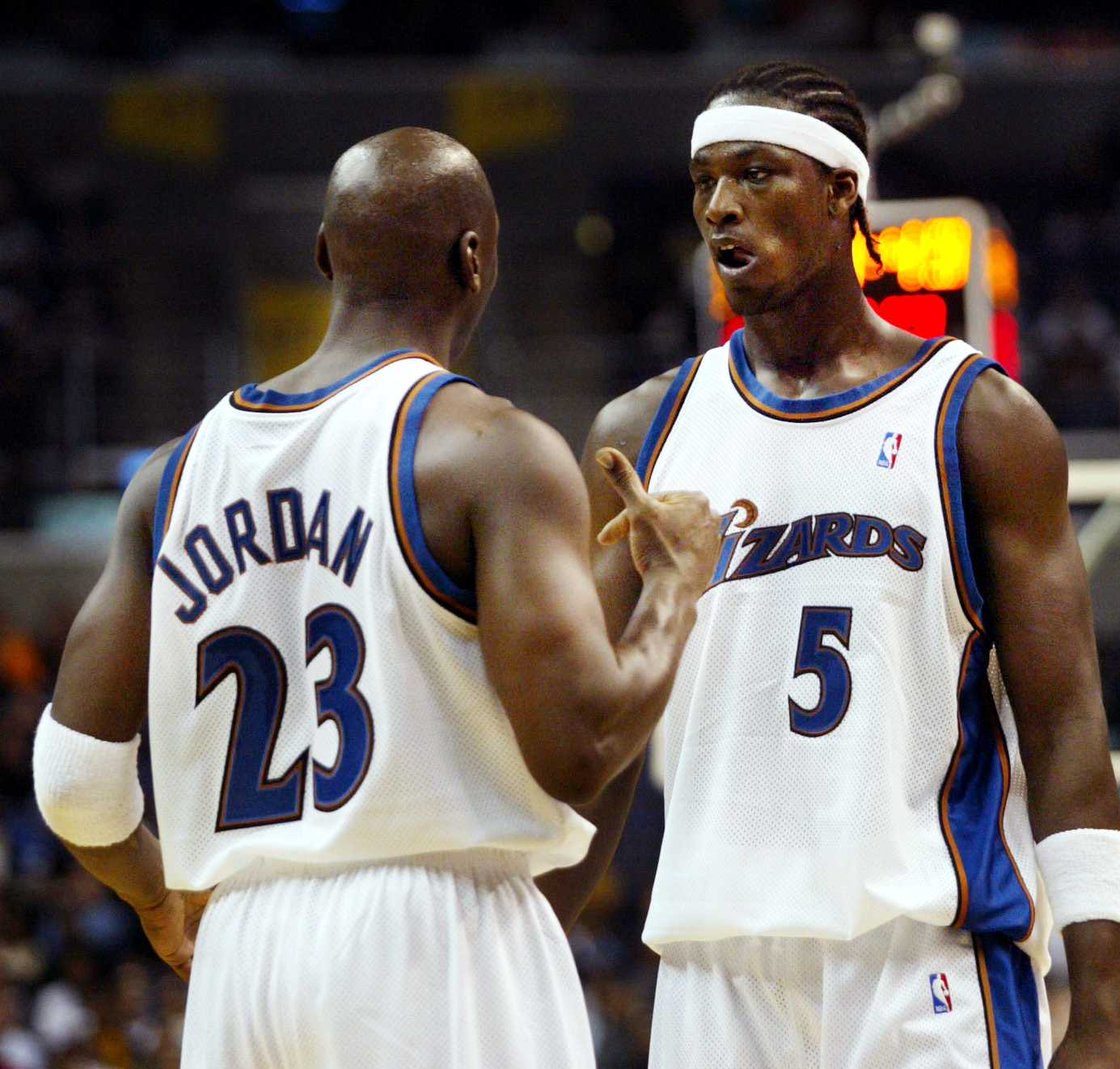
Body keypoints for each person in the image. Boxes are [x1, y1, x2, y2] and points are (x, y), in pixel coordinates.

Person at [31, 127, 719, 1068]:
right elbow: (582, 747)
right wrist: (674, 585)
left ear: (325, 256)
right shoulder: (488, 447)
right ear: (473, 259)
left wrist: (156, 895)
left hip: (240, 954)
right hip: (433, 938)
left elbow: (75, 784)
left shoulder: (171, 478)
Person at [576, 62, 1120, 1068]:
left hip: (924, 964)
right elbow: (596, 737)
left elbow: (1064, 725)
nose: (720, 206)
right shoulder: (642, 432)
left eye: (756, 173)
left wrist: (1099, 1013)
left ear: (842, 193)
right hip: (714, 970)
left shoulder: (979, 419)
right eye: (704, 182)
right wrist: (527, 933)